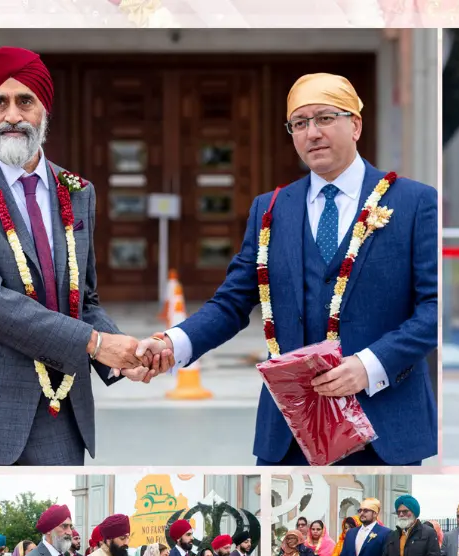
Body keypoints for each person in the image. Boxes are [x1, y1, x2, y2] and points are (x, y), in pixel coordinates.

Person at [135, 73, 439, 466]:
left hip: (384, 426)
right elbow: (230, 304)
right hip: (291, 432)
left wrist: (369, 365)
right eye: (300, 123)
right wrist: (171, 344)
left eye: (325, 118)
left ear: (356, 125)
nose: (312, 133)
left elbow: (433, 308)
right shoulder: (271, 209)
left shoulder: (414, 202)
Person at [0, 46, 149, 466]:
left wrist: (125, 359)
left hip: (59, 412)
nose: (12, 115)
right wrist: (97, 344)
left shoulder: (78, 190)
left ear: (44, 110)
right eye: (0, 102)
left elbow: (86, 298)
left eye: (25, 101)